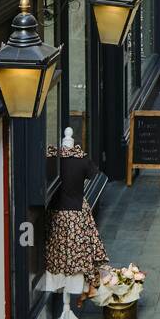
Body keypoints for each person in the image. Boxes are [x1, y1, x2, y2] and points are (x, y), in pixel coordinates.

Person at [45, 128, 107, 304]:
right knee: (78, 253)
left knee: (59, 254)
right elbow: (95, 175)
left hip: (56, 215)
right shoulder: (82, 160)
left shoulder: (51, 159)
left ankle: (66, 289)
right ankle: (81, 288)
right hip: (76, 214)